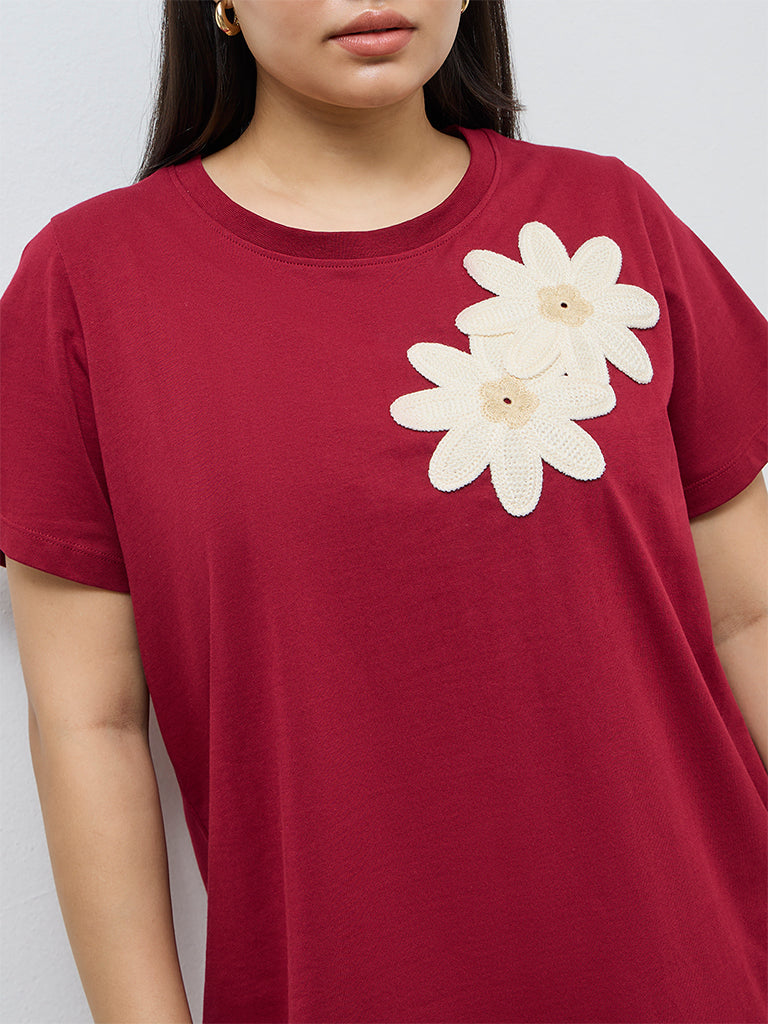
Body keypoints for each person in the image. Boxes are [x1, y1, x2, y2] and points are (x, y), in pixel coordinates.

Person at [1, 0, 766, 1021]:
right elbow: (87, 725)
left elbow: (747, 616)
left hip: (701, 971)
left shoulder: (606, 220)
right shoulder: (88, 283)